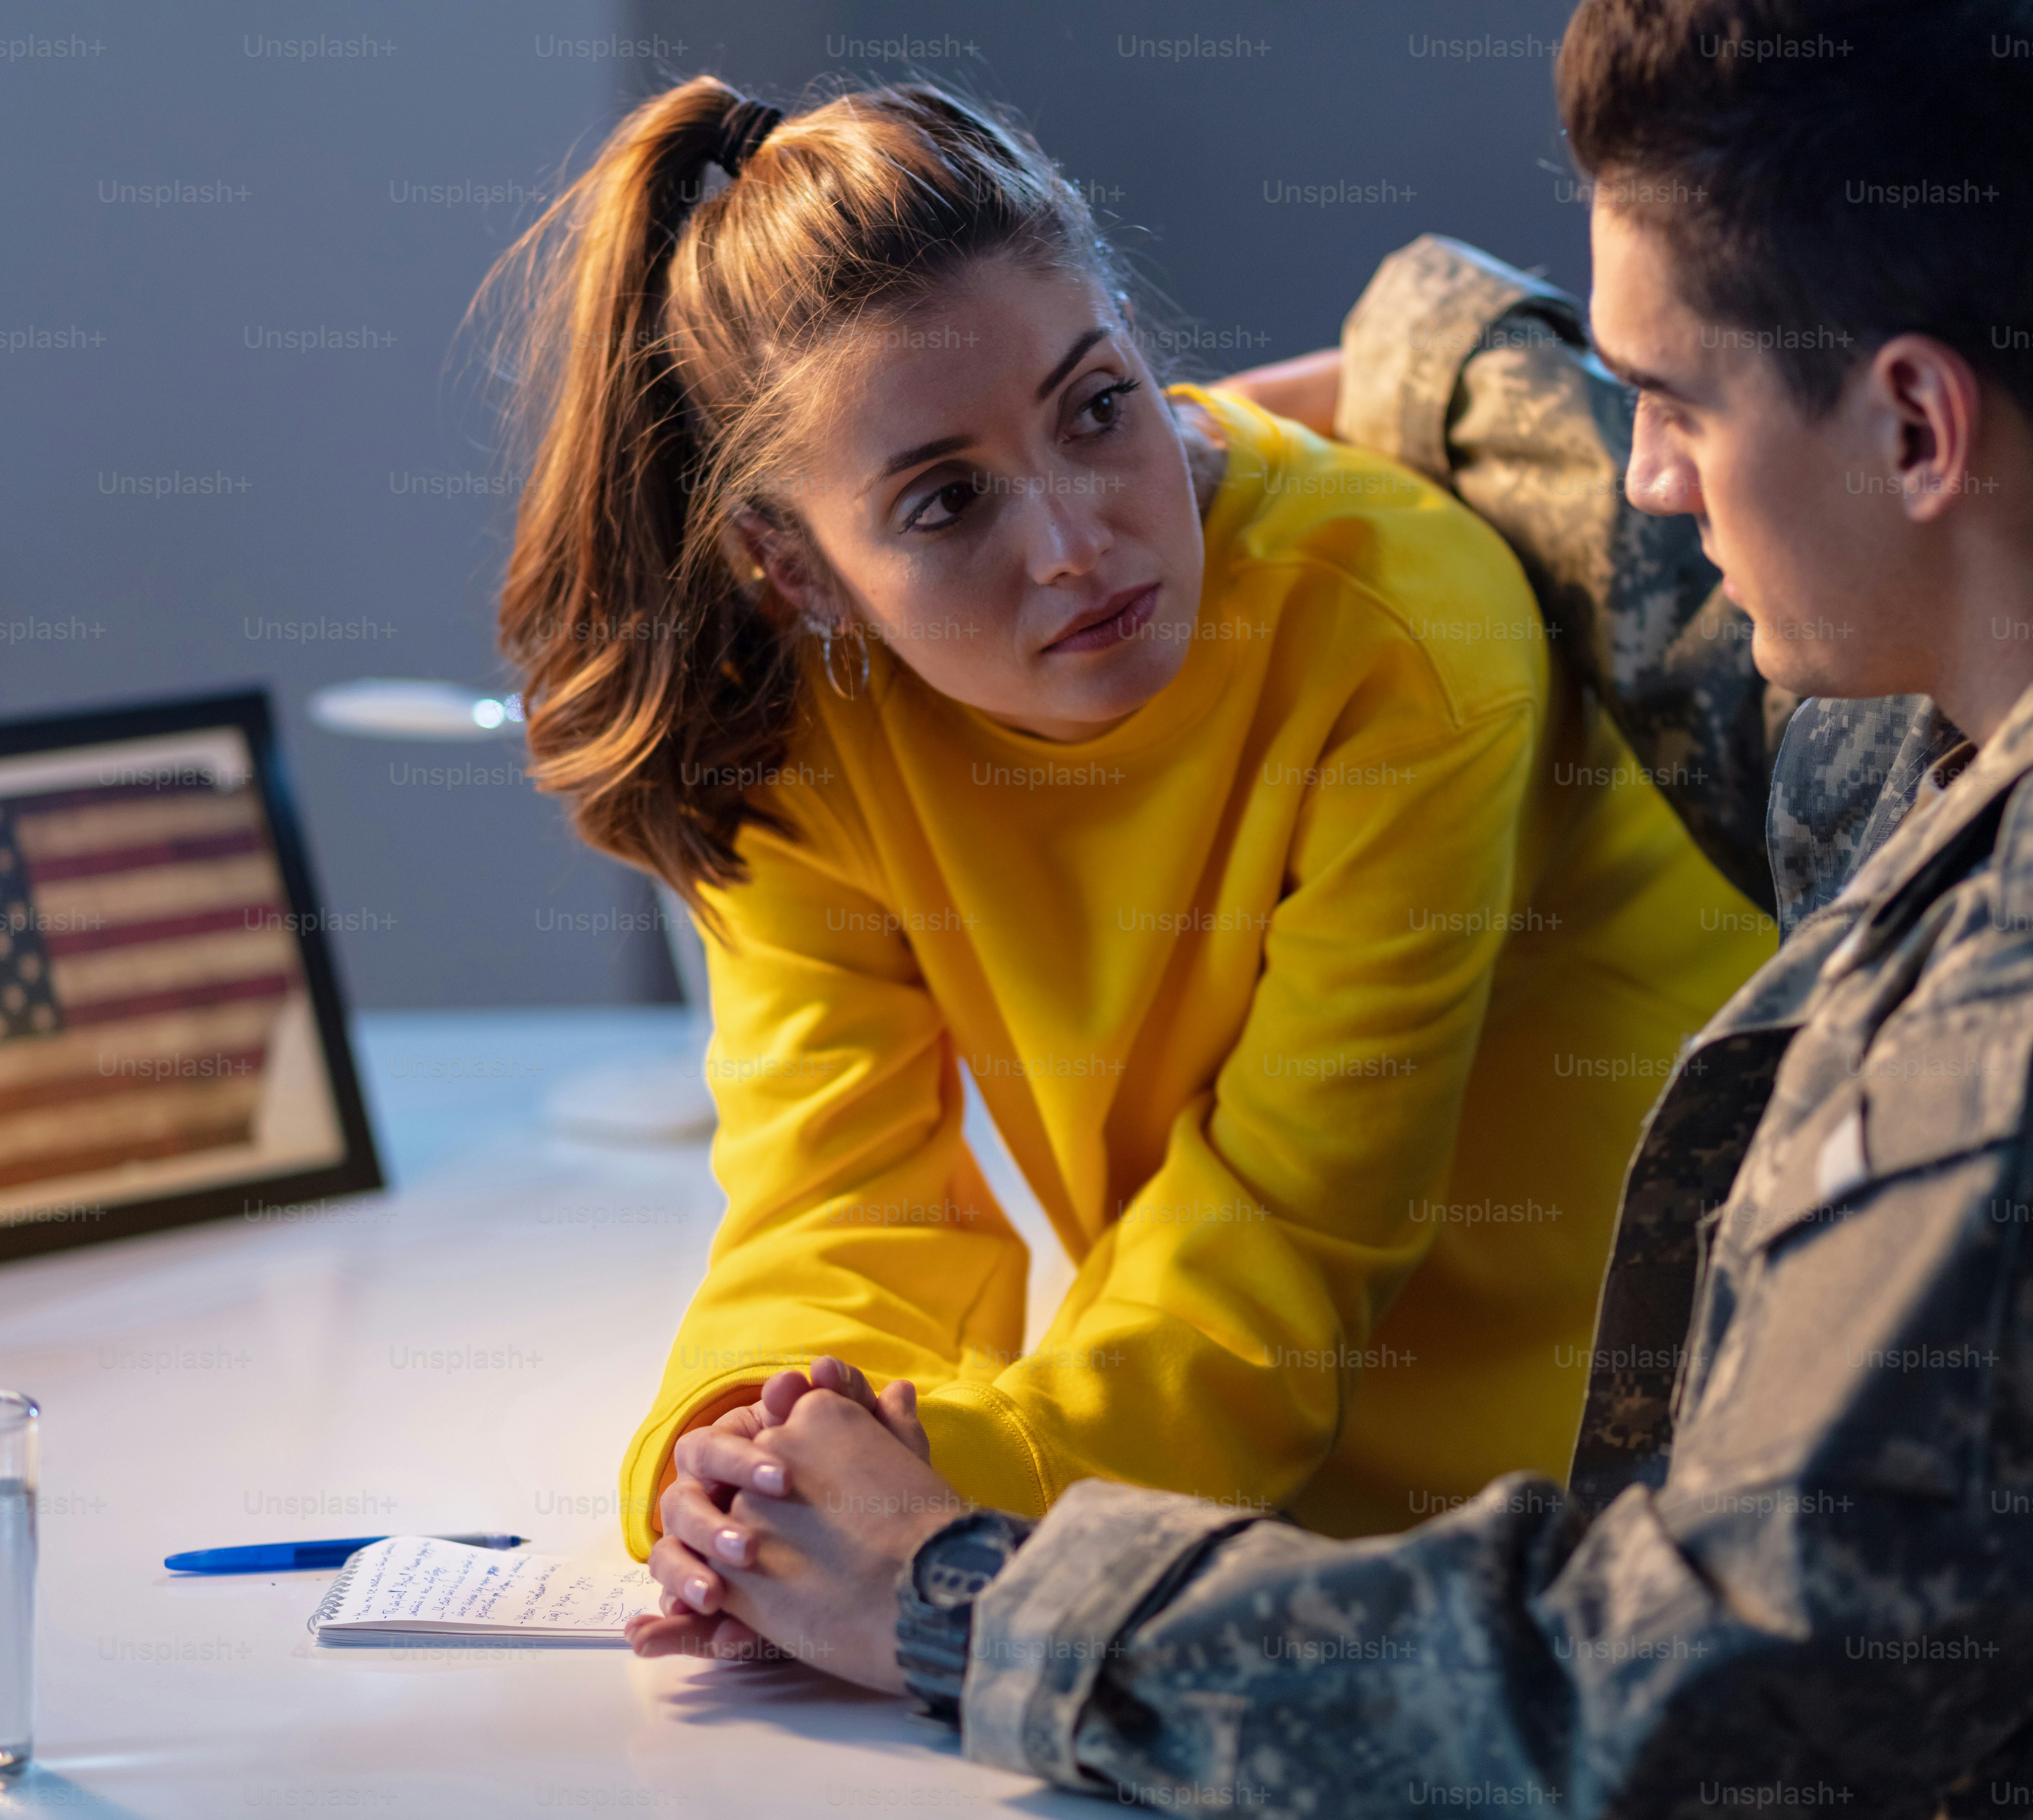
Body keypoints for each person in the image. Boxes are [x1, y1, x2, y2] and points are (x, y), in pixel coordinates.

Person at [619, 3, 2033, 1820]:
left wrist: (963, 1594)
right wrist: (1226, 435)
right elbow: (1590, 496)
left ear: (1920, 427)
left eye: (1676, 404)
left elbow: (1648, 1720)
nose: (1658, 478)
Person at [483, 77, 1772, 1564]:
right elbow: (834, 1195)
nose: (1071, 542)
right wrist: (747, 1455)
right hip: (1202, 1475)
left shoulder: (1396, 633)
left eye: (1097, 410)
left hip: (1608, 1467)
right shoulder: (791, 732)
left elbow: (1279, 1248)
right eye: (945, 502)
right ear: (792, 570)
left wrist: (925, 1503)